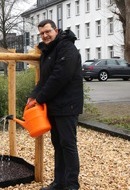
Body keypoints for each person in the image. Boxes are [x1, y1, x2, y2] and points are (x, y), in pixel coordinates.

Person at [27, 20, 83, 190]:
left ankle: (72, 185)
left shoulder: (67, 48)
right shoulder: (47, 51)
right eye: (42, 33)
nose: (45, 35)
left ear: (56, 30)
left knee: (68, 144)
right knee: (58, 145)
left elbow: (60, 77)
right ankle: (59, 182)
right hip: (54, 106)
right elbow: (44, 79)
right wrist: (33, 96)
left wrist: (40, 98)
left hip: (68, 106)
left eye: (47, 31)